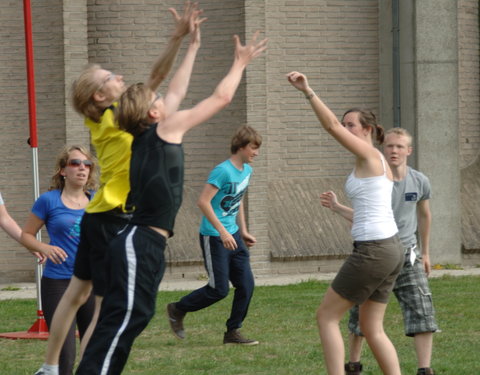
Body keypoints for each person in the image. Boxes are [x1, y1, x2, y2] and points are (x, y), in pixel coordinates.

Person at [75, 26, 267, 374]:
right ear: (152, 114)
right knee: (121, 321)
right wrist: (240, 63)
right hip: (138, 241)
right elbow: (220, 98)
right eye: (158, 100)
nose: (167, 99)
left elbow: (176, 89)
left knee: (137, 315)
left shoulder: (152, 133)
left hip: (143, 242)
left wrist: (193, 46)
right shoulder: (164, 131)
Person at [34, 4, 203, 375]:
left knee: (78, 294)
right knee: (108, 303)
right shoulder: (116, 118)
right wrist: (179, 39)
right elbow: (158, 78)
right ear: (99, 96)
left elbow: (154, 79)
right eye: (110, 75)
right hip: (115, 218)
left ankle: (50, 366)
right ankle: (93, 367)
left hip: (97, 216)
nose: (120, 76)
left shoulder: (102, 119)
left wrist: (179, 39)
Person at [287, 72, 404, 375]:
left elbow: (329, 126)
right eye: (345, 123)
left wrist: (308, 91)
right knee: (371, 326)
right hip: (389, 249)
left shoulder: (369, 154)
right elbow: (372, 213)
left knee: (326, 316)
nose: (344, 127)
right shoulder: (372, 162)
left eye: (351, 124)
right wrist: (340, 208)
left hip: (374, 251)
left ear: (366, 130)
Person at [320, 127, 437, 375]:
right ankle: (353, 364)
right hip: (385, 252)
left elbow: (425, 216)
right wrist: (339, 208)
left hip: (402, 254)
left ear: (409, 151)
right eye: (390, 146)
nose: (393, 150)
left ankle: (424, 369)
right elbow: (367, 217)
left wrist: (426, 253)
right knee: (362, 319)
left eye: (399, 146)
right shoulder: (376, 175)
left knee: (420, 310)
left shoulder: (418, 180)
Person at [167, 125, 262, 345]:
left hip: (234, 236)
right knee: (219, 289)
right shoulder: (223, 171)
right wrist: (222, 232)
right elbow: (203, 202)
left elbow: (237, 201)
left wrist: (243, 230)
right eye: (253, 148)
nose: (256, 153)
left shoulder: (247, 171)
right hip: (214, 237)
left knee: (246, 285)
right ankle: (178, 308)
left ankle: (232, 332)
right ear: (240, 147)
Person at [21, 145, 98, 375]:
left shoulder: (98, 200)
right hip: (58, 282)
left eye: (87, 165)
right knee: (64, 354)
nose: (82, 169)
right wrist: (45, 247)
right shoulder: (48, 201)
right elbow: (26, 235)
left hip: (92, 283)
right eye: (75, 163)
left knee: (94, 348)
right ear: (63, 170)